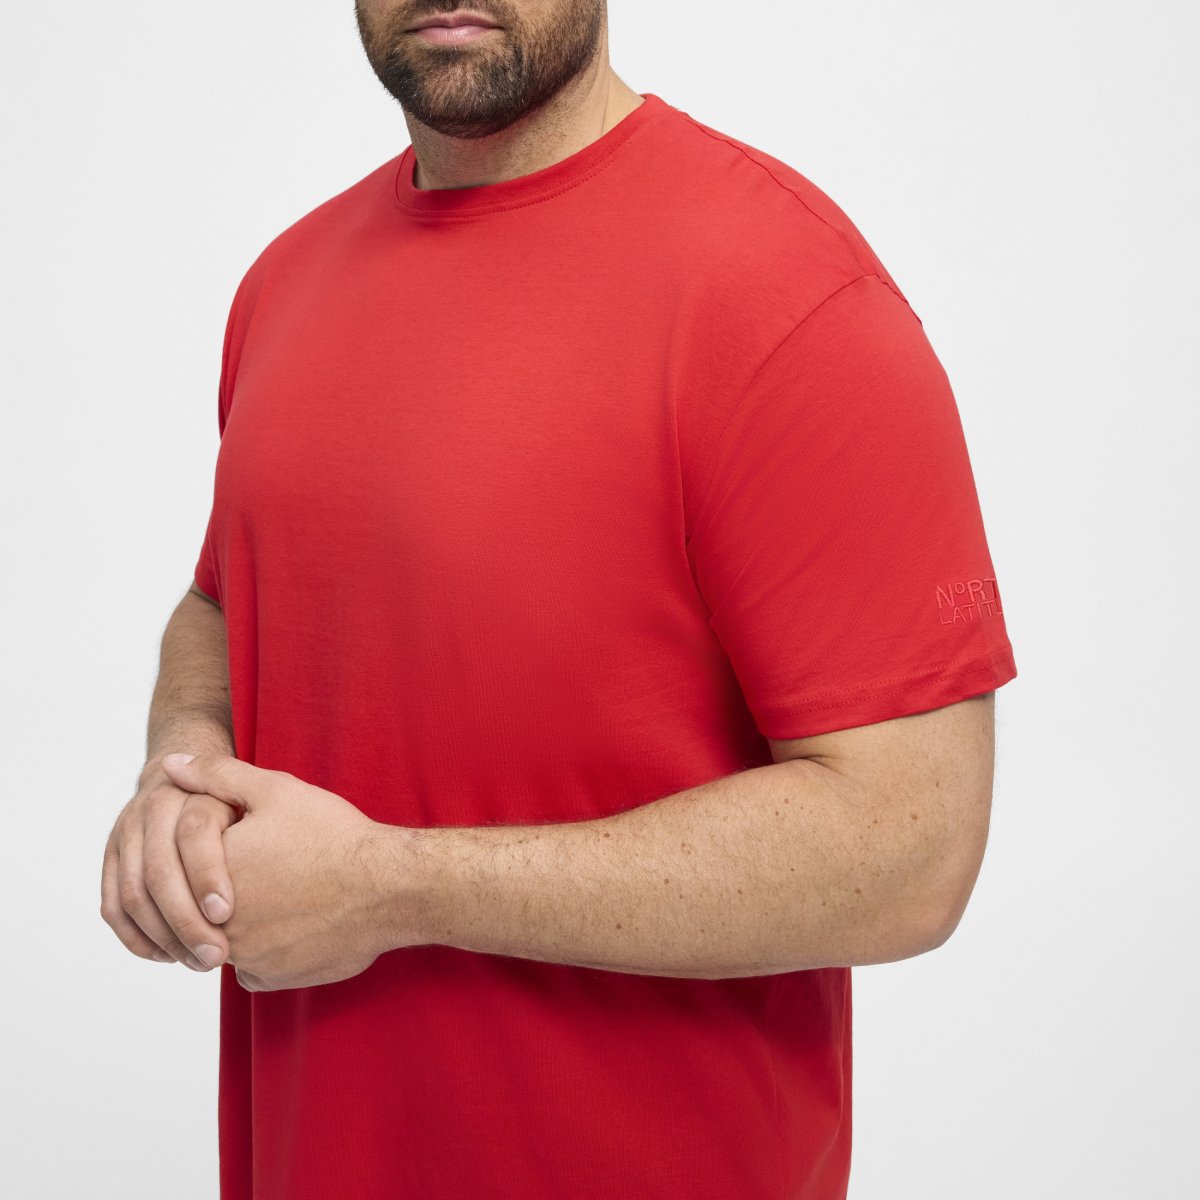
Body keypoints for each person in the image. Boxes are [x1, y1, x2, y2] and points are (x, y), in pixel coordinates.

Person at [100, 2, 1018, 1197]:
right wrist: (184, 767)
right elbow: (223, 602)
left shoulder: (786, 296)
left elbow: (911, 849)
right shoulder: (285, 282)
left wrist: (393, 885)